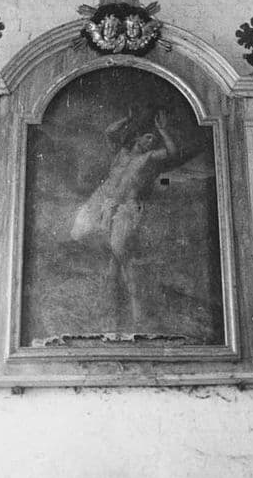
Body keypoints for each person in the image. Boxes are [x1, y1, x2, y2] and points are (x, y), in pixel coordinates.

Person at [70, 107, 178, 327]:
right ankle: (113, 306)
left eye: (153, 139)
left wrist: (162, 131)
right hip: (102, 201)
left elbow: (172, 152)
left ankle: (136, 309)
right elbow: (109, 132)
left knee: (119, 251)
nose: (150, 141)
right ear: (137, 136)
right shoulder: (121, 153)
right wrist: (127, 119)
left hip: (125, 208)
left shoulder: (148, 158)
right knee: (85, 236)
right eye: (148, 136)